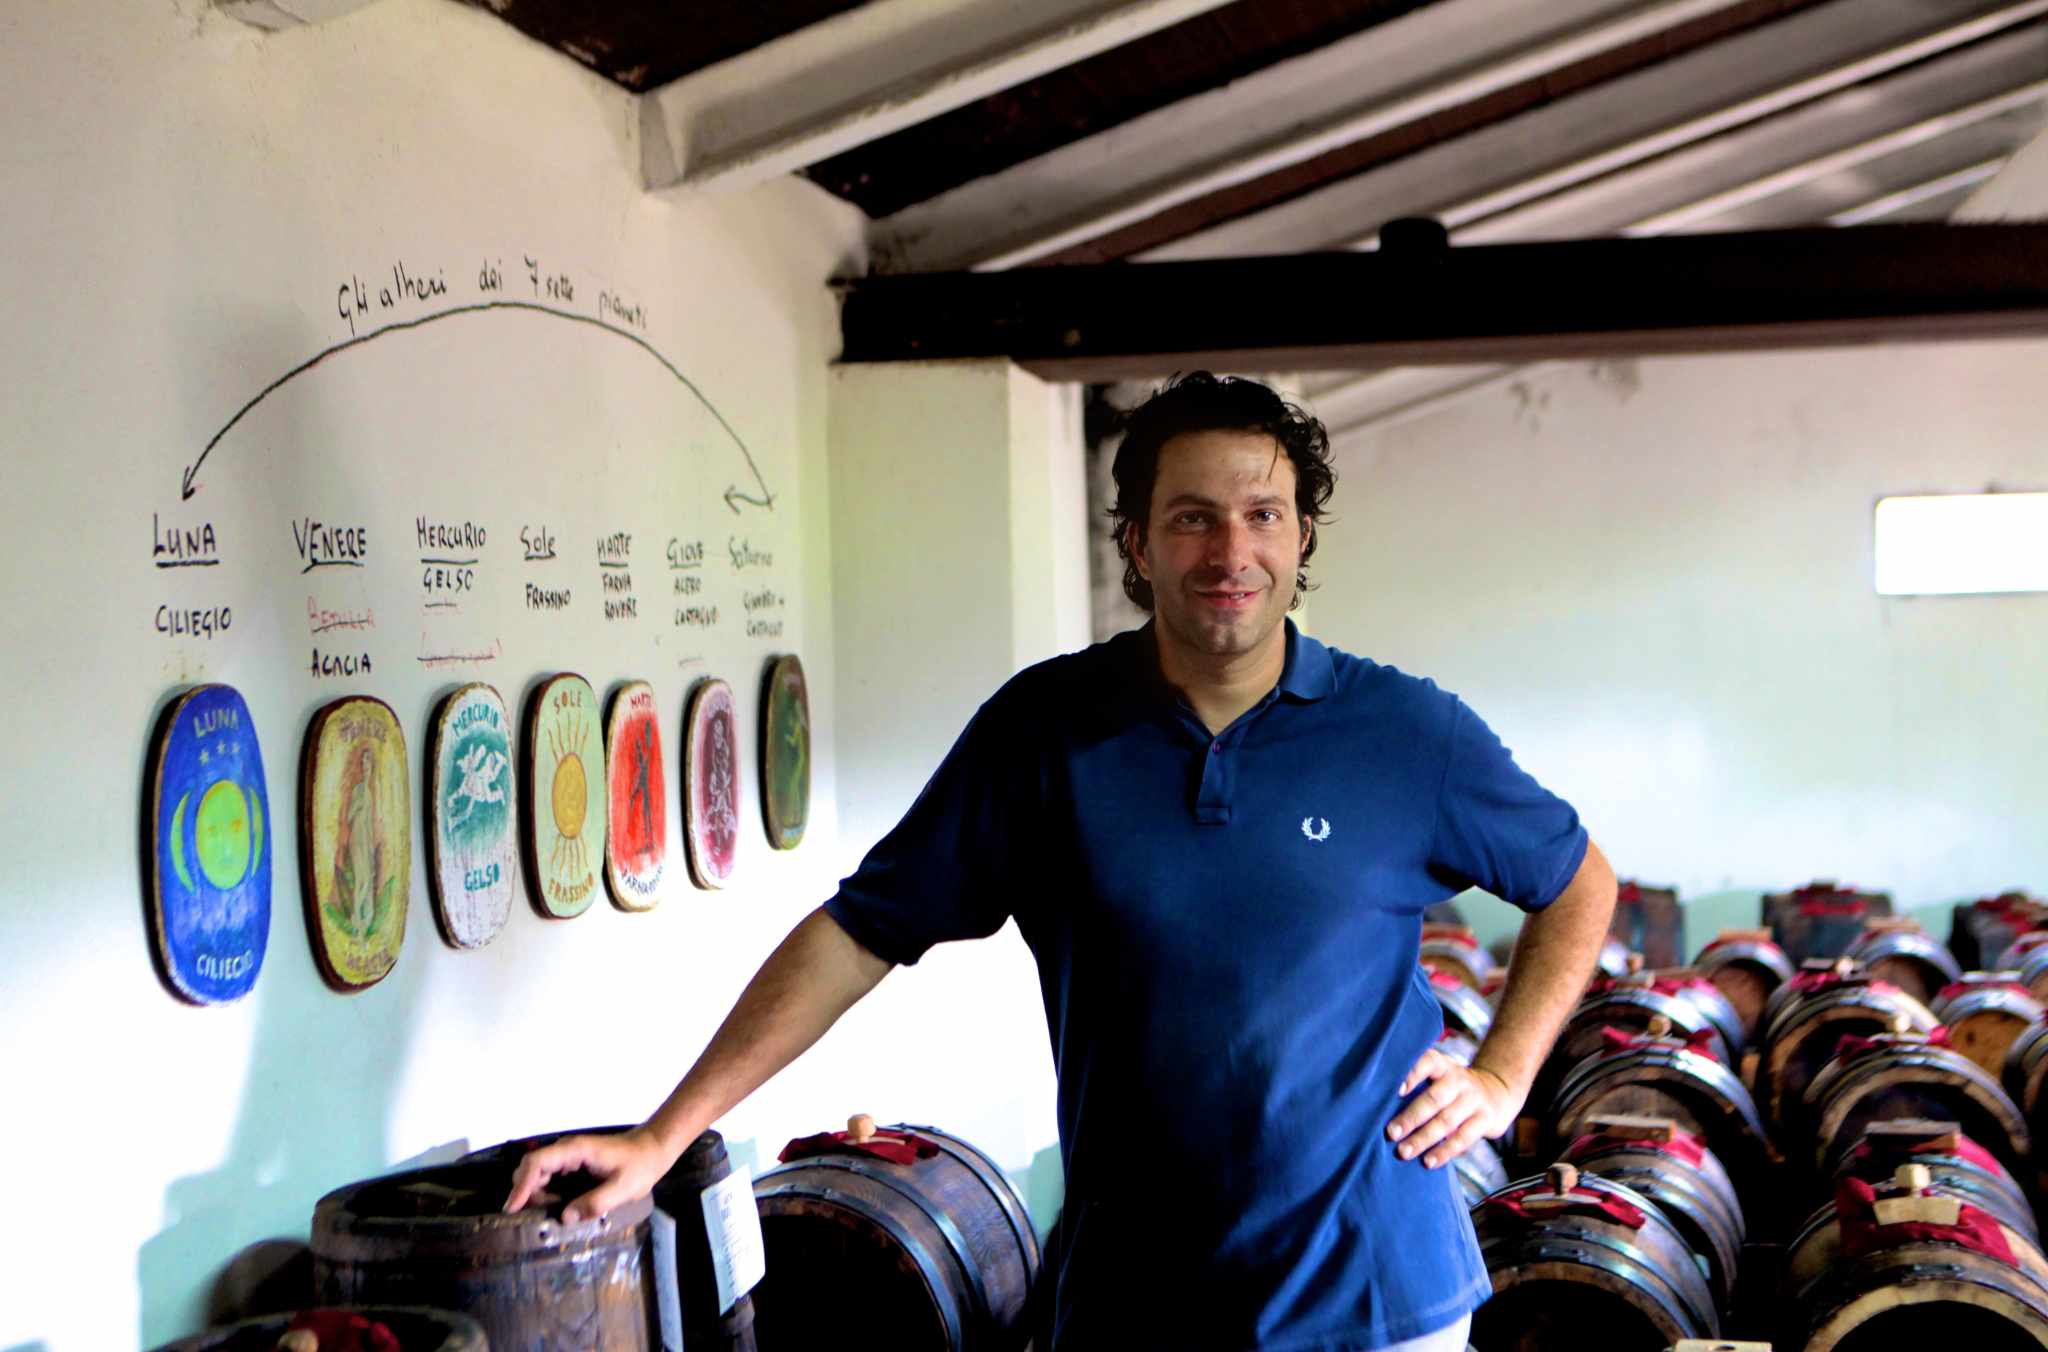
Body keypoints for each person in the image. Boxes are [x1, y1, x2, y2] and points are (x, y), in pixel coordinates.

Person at [506, 372, 1617, 1350]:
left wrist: (1502, 1075)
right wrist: (663, 1133)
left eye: (1260, 515)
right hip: (1134, 1296)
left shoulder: (1405, 734)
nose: (1229, 552)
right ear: (1134, 542)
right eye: (1190, 519)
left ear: (1299, 538)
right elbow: (857, 934)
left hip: (1377, 1297)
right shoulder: (1044, 732)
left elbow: (1576, 880)